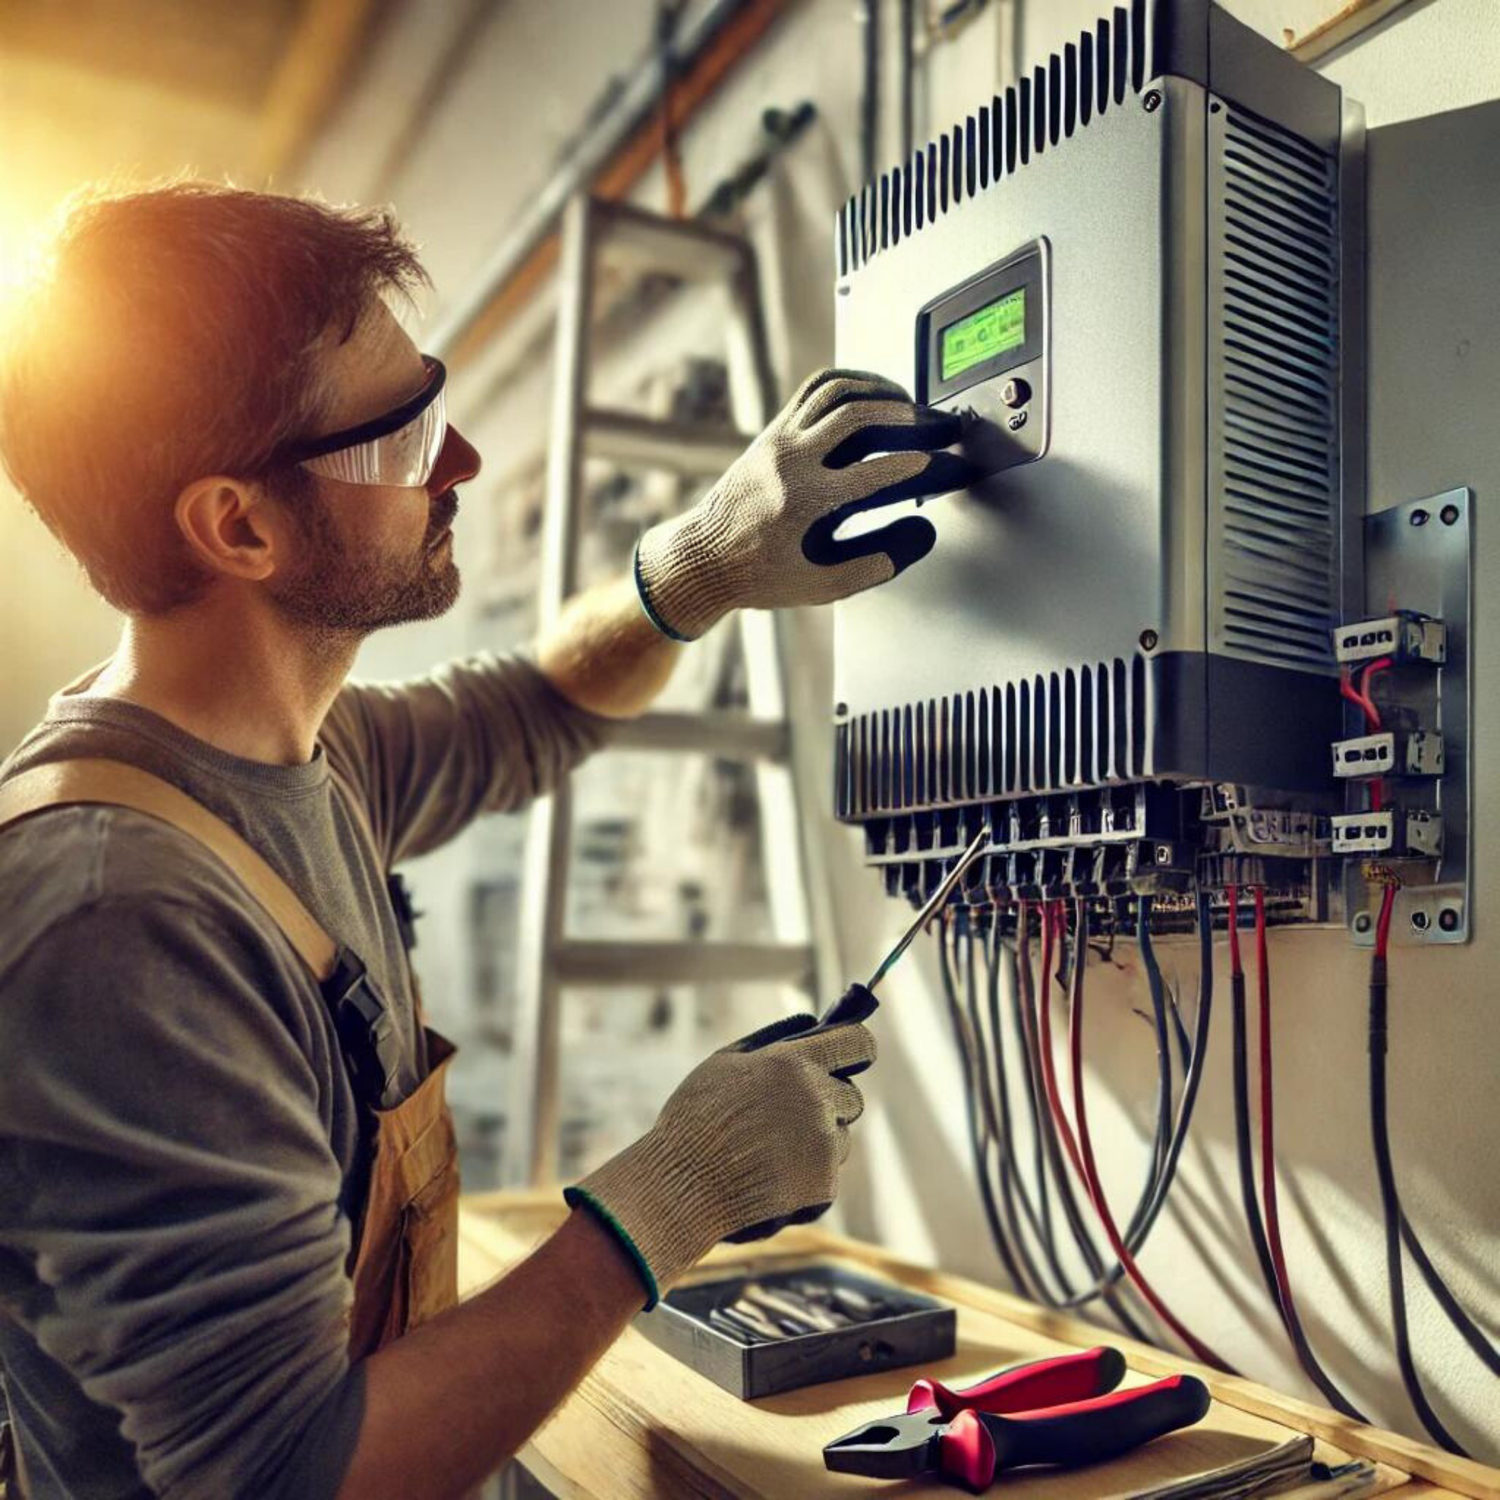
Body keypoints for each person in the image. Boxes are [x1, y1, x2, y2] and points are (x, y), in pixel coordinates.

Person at [0, 183, 970, 1499]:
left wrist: (703, 564)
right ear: (239, 525)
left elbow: (539, 707)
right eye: (403, 442)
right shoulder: (118, 913)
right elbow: (288, 1475)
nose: (459, 466)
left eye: (435, 404)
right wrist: (671, 1197)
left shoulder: (308, 757)